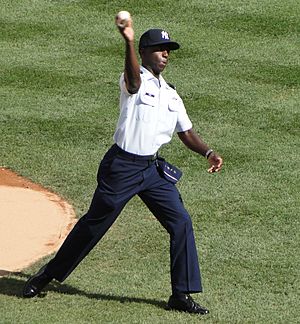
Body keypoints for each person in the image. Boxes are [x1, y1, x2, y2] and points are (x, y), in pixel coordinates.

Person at [23, 18, 223, 315]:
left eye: (168, 50)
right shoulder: (134, 80)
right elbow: (132, 80)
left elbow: (186, 132)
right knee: (95, 225)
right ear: (143, 52)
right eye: (159, 49)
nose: (166, 54)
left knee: (181, 223)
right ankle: (46, 276)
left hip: (152, 171)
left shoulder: (171, 93)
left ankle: (180, 295)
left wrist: (208, 152)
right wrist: (127, 40)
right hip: (122, 167)